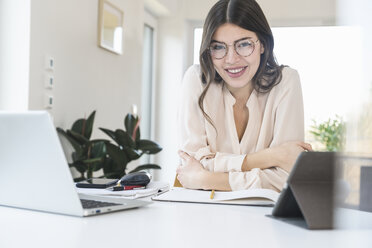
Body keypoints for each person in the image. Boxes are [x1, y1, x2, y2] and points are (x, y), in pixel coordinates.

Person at [176, 0, 312, 192]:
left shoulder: (286, 82)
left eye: (244, 44)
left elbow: (287, 177)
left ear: (263, 45)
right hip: (204, 212)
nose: (231, 59)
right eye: (218, 47)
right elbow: (191, 165)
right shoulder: (197, 80)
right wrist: (271, 157)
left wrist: (207, 180)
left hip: (265, 216)